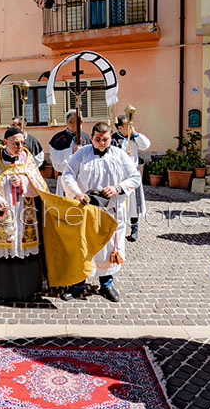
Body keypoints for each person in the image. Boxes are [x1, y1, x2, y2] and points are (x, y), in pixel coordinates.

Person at [62, 121, 141, 302]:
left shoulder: (120, 155)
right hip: (86, 209)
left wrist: (118, 188)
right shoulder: (82, 154)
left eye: (105, 139)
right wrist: (76, 193)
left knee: (107, 248)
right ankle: (77, 284)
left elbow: (135, 177)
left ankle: (107, 284)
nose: (102, 143)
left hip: (110, 210)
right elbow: (67, 174)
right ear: (92, 138)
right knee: (84, 246)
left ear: (110, 138)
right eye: (98, 139)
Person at [0, 127, 49, 302]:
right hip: (3, 215)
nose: (20, 146)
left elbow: (41, 188)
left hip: (26, 214)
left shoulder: (27, 160)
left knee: (27, 249)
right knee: (5, 251)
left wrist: (24, 183)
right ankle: (5, 292)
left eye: (22, 143)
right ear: (5, 143)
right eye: (16, 143)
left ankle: (29, 290)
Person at [112, 114, 150, 242]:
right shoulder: (113, 139)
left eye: (131, 125)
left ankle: (135, 228)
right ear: (120, 127)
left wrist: (136, 134)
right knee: (120, 203)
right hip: (119, 176)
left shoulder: (133, 138)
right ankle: (117, 228)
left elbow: (146, 145)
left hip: (133, 174)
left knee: (134, 203)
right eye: (128, 125)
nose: (130, 127)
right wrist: (122, 155)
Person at [49, 110, 91, 196]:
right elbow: (54, 157)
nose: (82, 122)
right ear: (70, 122)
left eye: (82, 120)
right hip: (65, 179)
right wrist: (71, 151)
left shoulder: (86, 137)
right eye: (79, 120)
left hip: (83, 179)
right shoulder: (58, 138)